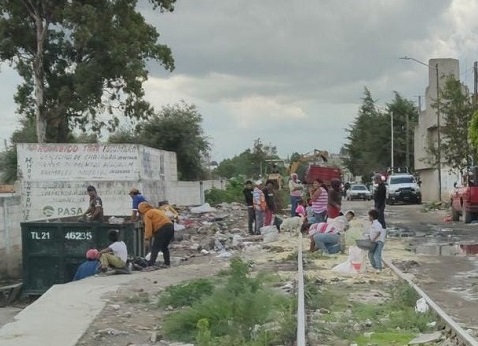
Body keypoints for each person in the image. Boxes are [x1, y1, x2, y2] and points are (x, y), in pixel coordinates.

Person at [138, 201, 174, 268]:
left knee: (155, 247)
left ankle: (151, 264)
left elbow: (148, 227)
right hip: (170, 227)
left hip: (162, 228)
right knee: (164, 247)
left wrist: (147, 238)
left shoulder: (148, 214)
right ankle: (167, 263)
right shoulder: (155, 211)